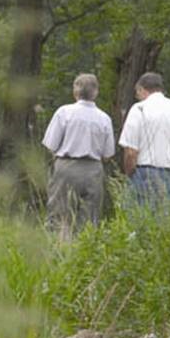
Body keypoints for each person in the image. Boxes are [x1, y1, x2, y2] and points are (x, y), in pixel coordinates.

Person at [41, 74, 115, 235]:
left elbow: (50, 144)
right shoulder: (104, 119)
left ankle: (59, 251)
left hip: (66, 167)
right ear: (96, 93)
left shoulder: (64, 112)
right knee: (90, 216)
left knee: (60, 214)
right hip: (93, 170)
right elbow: (108, 154)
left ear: (75, 91)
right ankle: (84, 252)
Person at [118, 72, 170, 207]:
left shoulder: (139, 109)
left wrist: (129, 173)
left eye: (137, 93)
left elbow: (131, 152)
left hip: (146, 174)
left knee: (142, 220)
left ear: (142, 89)